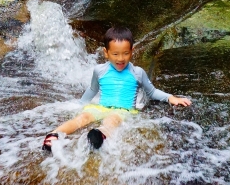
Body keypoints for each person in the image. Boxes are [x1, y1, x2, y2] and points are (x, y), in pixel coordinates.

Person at [42, 26, 191, 152]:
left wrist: (171, 97)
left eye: (125, 53)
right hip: (101, 107)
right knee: (83, 117)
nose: (121, 59)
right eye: (115, 54)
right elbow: (92, 89)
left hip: (123, 111)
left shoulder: (137, 72)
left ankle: (99, 136)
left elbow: (151, 92)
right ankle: (54, 135)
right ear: (106, 53)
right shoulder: (99, 70)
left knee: (111, 120)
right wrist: (80, 104)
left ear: (132, 51)